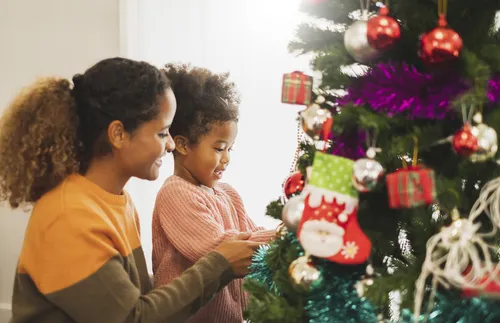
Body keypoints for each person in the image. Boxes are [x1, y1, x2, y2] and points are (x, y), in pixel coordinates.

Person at [0, 57, 263, 323]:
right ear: (118, 134)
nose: (171, 145)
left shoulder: (117, 201)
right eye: (162, 133)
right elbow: (133, 319)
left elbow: (128, 297)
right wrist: (220, 265)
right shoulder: (69, 217)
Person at [152, 64, 275, 323]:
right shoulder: (175, 194)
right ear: (183, 145)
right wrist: (283, 236)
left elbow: (253, 236)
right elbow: (221, 249)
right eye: (219, 149)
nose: (227, 158)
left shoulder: (228, 194)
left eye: (231, 148)